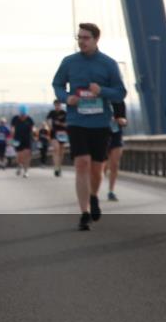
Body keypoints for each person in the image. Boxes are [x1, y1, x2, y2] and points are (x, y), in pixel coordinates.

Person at [52, 22, 127, 231]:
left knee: (96, 168)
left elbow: (120, 93)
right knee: (81, 163)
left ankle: (94, 196)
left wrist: (101, 90)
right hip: (77, 121)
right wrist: (67, 98)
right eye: (79, 37)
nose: (81, 41)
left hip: (101, 123)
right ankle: (84, 212)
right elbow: (57, 84)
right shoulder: (69, 62)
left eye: (86, 38)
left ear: (95, 39)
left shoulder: (108, 64)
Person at [103, 101, 127, 201]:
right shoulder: (100, 99)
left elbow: (125, 120)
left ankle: (111, 191)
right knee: (103, 165)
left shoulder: (119, 102)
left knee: (115, 164)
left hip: (116, 135)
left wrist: (122, 121)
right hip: (102, 135)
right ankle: (95, 184)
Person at [46, 99, 68, 177]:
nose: (57, 106)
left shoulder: (64, 113)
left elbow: (67, 124)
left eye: (58, 105)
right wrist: (50, 125)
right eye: (56, 105)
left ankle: (59, 166)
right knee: (56, 149)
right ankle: (56, 168)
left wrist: (60, 123)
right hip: (54, 134)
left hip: (63, 134)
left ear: (61, 105)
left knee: (61, 151)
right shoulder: (51, 113)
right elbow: (48, 122)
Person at [11, 105, 34, 177]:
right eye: (21, 114)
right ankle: (19, 165)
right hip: (17, 139)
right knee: (19, 155)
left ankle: (26, 171)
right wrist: (12, 135)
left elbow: (33, 129)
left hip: (27, 139)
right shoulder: (15, 119)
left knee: (27, 155)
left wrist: (34, 135)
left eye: (24, 115)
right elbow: (12, 128)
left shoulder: (29, 119)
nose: (22, 116)